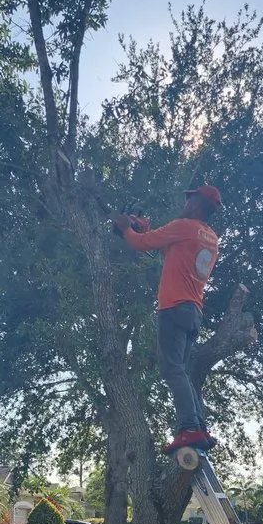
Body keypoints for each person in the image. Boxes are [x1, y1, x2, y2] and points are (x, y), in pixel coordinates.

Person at [112, 184, 222, 453]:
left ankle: (189, 429)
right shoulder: (210, 237)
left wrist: (127, 227)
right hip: (194, 310)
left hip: (173, 307)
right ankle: (200, 428)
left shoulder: (184, 225)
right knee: (182, 372)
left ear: (196, 205)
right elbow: (164, 249)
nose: (185, 203)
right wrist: (145, 229)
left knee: (172, 370)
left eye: (189, 199)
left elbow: (141, 244)